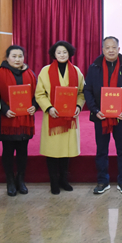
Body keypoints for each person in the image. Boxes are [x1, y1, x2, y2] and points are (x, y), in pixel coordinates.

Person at [84, 36, 122, 195]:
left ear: (119, 49)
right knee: (101, 150)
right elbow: (87, 90)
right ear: (103, 50)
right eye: (107, 47)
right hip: (100, 116)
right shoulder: (94, 68)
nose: (111, 50)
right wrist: (94, 110)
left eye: (114, 47)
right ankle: (102, 181)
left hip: (120, 116)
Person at [35, 41, 85, 195]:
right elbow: (40, 94)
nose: (62, 55)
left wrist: (78, 106)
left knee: (65, 151)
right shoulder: (45, 71)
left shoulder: (76, 71)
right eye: (59, 52)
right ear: (54, 54)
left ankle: (64, 180)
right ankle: (54, 181)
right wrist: (48, 108)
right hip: (53, 117)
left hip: (70, 118)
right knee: (52, 152)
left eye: (65, 52)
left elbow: (81, 93)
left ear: (69, 53)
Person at [0, 45, 38, 196]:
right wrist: (5, 110)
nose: (17, 59)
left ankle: (21, 179)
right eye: (14, 56)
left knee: (22, 151)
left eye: (20, 56)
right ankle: (10, 180)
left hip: (25, 120)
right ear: (7, 58)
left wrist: (34, 106)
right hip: (7, 119)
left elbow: (37, 94)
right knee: (8, 150)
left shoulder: (30, 74)